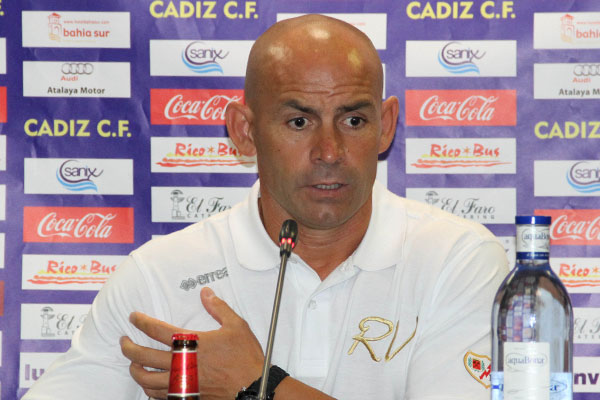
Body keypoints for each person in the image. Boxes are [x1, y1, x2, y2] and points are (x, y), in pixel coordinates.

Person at [23, 15, 508, 400]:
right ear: (244, 130)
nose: (329, 151)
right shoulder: (159, 274)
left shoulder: (456, 258)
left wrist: (257, 384)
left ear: (385, 126)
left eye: (354, 119)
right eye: (299, 122)